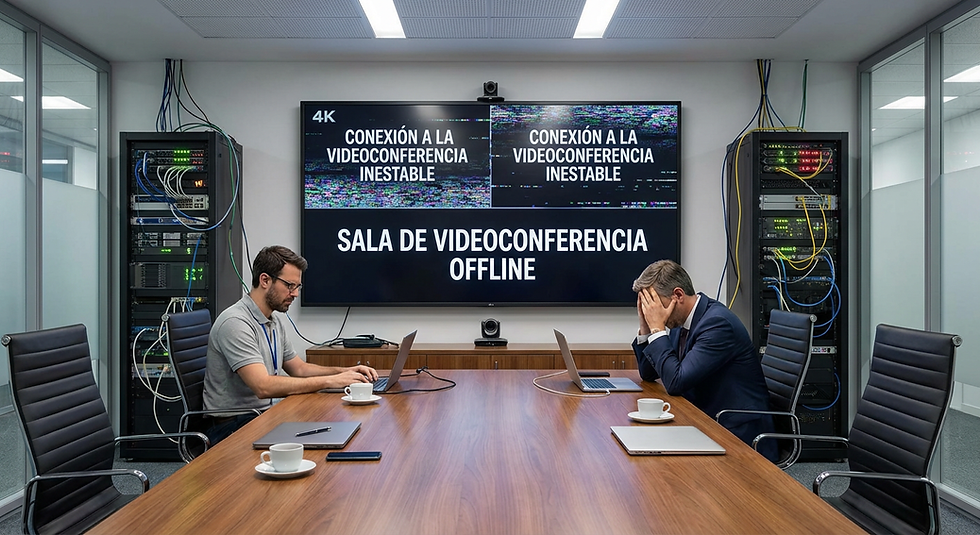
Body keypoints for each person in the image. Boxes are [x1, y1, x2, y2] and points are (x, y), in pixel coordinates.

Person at [202, 245, 379, 444]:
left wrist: (343, 372)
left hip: (261, 415)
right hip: (232, 427)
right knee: (325, 428)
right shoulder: (235, 323)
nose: (295, 294)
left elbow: (300, 369)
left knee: (334, 423)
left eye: (297, 287)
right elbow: (263, 387)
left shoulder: (272, 320)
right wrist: (330, 382)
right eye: (289, 285)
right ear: (265, 280)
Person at [630, 259, 778, 462]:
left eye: (654, 305)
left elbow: (675, 382)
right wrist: (646, 327)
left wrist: (657, 329)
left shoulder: (717, 324)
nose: (651, 312)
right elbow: (648, 373)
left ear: (678, 295)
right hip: (705, 421)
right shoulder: (680, 322)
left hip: (738, 435)